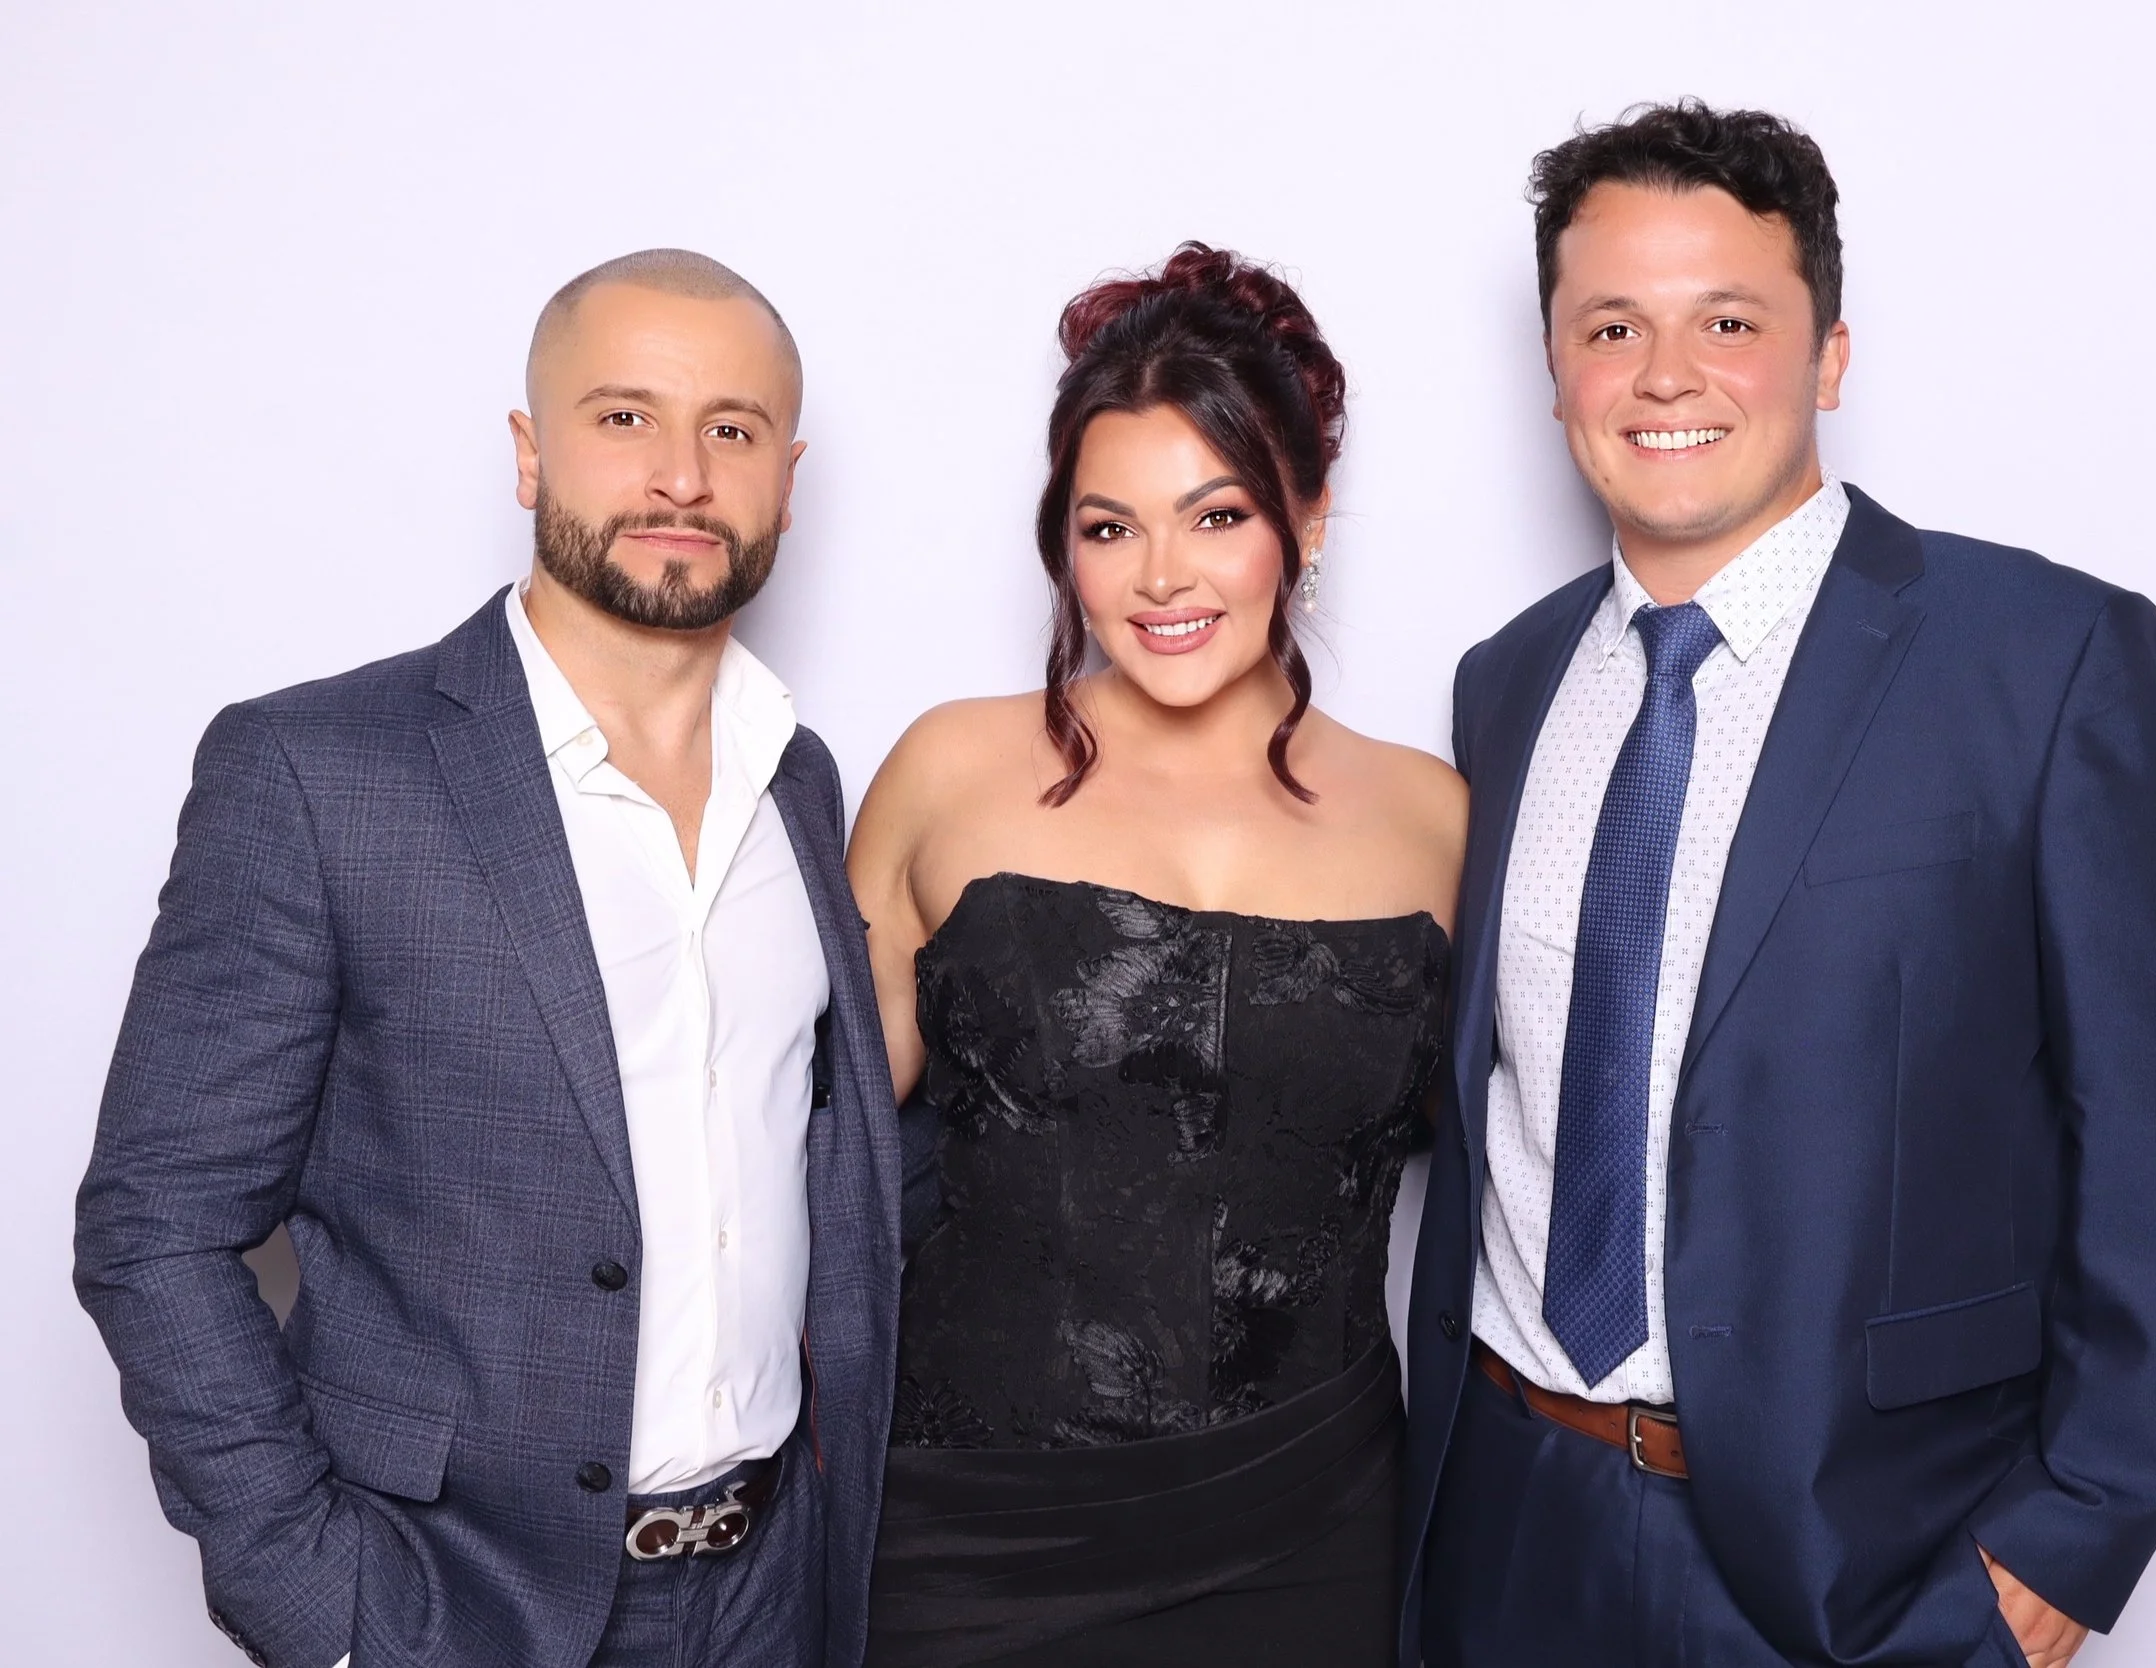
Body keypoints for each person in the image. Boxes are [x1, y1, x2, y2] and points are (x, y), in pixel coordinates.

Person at [1400, 103, 2156, 1667]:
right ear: (1554, 372)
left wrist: (2069, 1539)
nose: (1667, 375)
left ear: (1831, 356)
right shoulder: (1504, 686)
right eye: (1613, 327)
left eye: (1729, 320)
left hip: (1863, 1555)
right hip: (1503, 1516)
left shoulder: (2045, 660)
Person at [73, 249, 900, 1668]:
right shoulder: (320, 771)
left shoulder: (800, 783)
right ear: (530, 454)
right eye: (624, 417)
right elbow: (156, 1224)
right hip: (456, 1601)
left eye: (733, 430)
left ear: (787, 470)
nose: (683, 480)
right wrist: (321, 1610)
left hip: (778, 1586)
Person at [847, 242, 1464, 1667]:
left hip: (1312, 1519)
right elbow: (785, 1144)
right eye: (1110, 526)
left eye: (1218, 513)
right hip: (973, 1530)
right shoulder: (949, 768)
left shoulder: (1437, 815)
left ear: (1307, 516)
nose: (1162, 576)